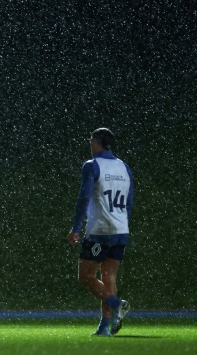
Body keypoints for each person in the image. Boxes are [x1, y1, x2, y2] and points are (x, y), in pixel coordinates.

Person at [67, 128, 134, 336]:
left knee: (86, 275)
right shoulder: (124, 167)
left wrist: (76, 228)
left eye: (91, 140)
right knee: (109, 275)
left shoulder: (92, 166)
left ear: (96, 142)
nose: (89, 144)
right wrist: (122, 224)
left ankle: (117, 303)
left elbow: (83, 198)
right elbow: (129, 202)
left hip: (100, 231)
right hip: (121, 229)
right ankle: (105, 326)